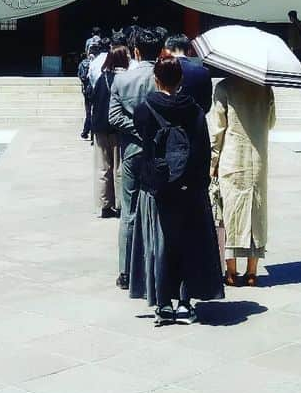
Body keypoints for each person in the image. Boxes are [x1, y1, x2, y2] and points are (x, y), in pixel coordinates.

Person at [130, 51, 223, 324]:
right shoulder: (195, 110)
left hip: (156, 187)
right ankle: (185, 303)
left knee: (159, 245)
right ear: (181, 79)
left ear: (156, 79)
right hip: (189, 189)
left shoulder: (144, 109)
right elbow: (203, 151)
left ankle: (163, 303)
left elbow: (143, 142)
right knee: (187, 244)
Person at [108, 26, 165, 289]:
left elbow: (114, 117)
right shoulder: (165, 76)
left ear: (136, 51)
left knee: (129, 212)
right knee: (162, 208)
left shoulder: (122, 80)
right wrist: (151, 130)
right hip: (160, 150)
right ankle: (159, 264)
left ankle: (125, 270)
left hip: (132, 150)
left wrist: (137, 130)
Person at [208, 74, 276, 285]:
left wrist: (212, 162)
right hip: (258, 157)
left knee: (230, 211)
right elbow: (271, 122)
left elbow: (218, 129)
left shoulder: (224, 87)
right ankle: (252, 272)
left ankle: (231, 271)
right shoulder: (266, 88)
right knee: (256, 211)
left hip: (233, 157)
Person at [91, 45, 129, 219]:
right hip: (119, 128)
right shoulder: (126, 79)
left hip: (100, 128)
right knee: (119, 167)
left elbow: (93, 100)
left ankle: (104, 204)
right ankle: (121, 204)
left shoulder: (101, 78)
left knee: (102, 167)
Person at [164, 33, 213, 112]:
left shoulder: (161, 69)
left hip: (167, 119)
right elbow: (206, 104)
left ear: (167, 51)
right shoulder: (203, 72)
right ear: (189, 51)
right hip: (194, 119)